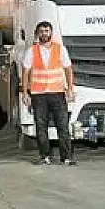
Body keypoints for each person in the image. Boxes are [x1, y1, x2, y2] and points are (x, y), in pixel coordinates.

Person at [21, 21, 76, 166]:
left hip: (57, 93)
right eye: (41, 31)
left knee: (63, 127)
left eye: (47, 31)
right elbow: (25, 72)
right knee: (41, 127)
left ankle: (66, 157)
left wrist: (70, 89)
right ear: (37, 34)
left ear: (51, 33)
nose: (44, 34)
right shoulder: (31, 51)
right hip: (39, 94)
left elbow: (68, 69)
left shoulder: (60, 49)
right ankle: (44, 156)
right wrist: (25, 93)